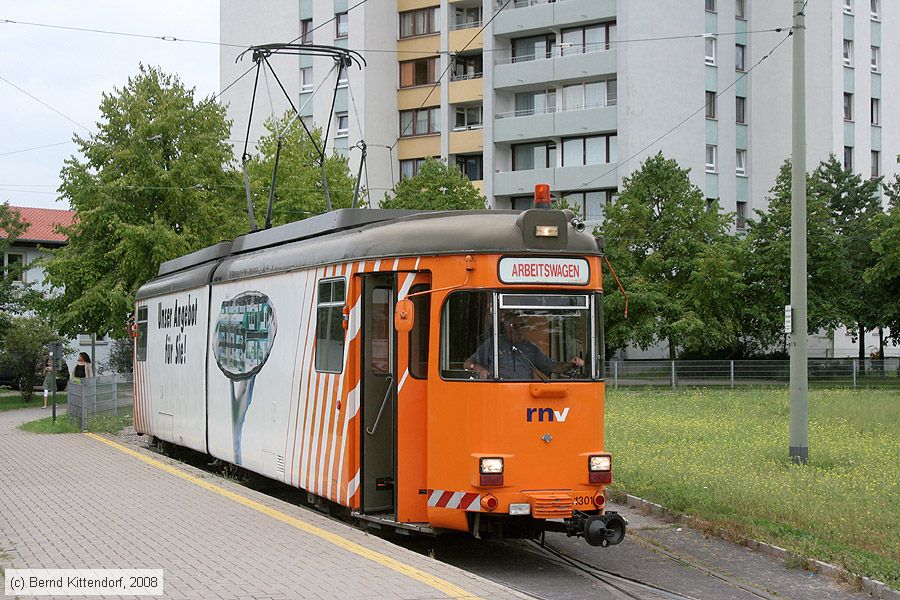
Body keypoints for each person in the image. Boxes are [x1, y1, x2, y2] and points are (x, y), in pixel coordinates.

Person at [463, 314, 584, 380]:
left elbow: (553, 367)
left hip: (524, 394)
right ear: (507, 327)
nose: (519, 329)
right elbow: (468, 363)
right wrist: (480, 369)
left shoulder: (530, 348)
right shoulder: (493, 343)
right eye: (515, 326)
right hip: (498, 391)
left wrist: (571, 363)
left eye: (522, 326)